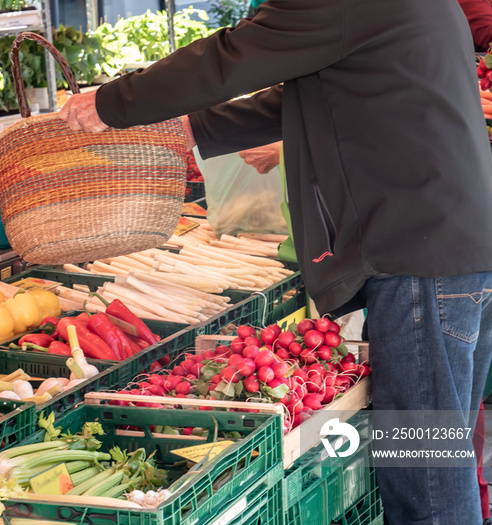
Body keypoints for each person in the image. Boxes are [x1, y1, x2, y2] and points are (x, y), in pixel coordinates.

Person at [59, 0, 492, 523]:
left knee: (425, 476)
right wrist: (192, 129)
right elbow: (308, 94)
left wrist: (109, 102)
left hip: (420, 258)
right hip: (449, 246)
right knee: (435, 457)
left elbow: (233, 56)